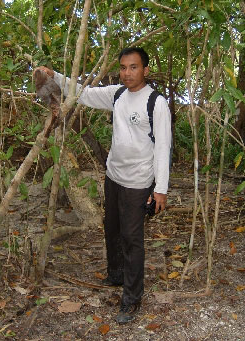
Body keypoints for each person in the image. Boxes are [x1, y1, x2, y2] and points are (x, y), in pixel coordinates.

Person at [35, 47, 172, 324]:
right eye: (123, 67)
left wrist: (160, 189)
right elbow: (84, 94)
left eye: (133, 67)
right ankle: (116, 275)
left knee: (133, 240)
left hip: (138, 182)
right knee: (112, 229)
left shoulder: (155, 103)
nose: (127, 73)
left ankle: (132, 299)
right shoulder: (117, 94)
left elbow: (163, 148)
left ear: (145, 70)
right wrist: (55, 76)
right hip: (113, 177)